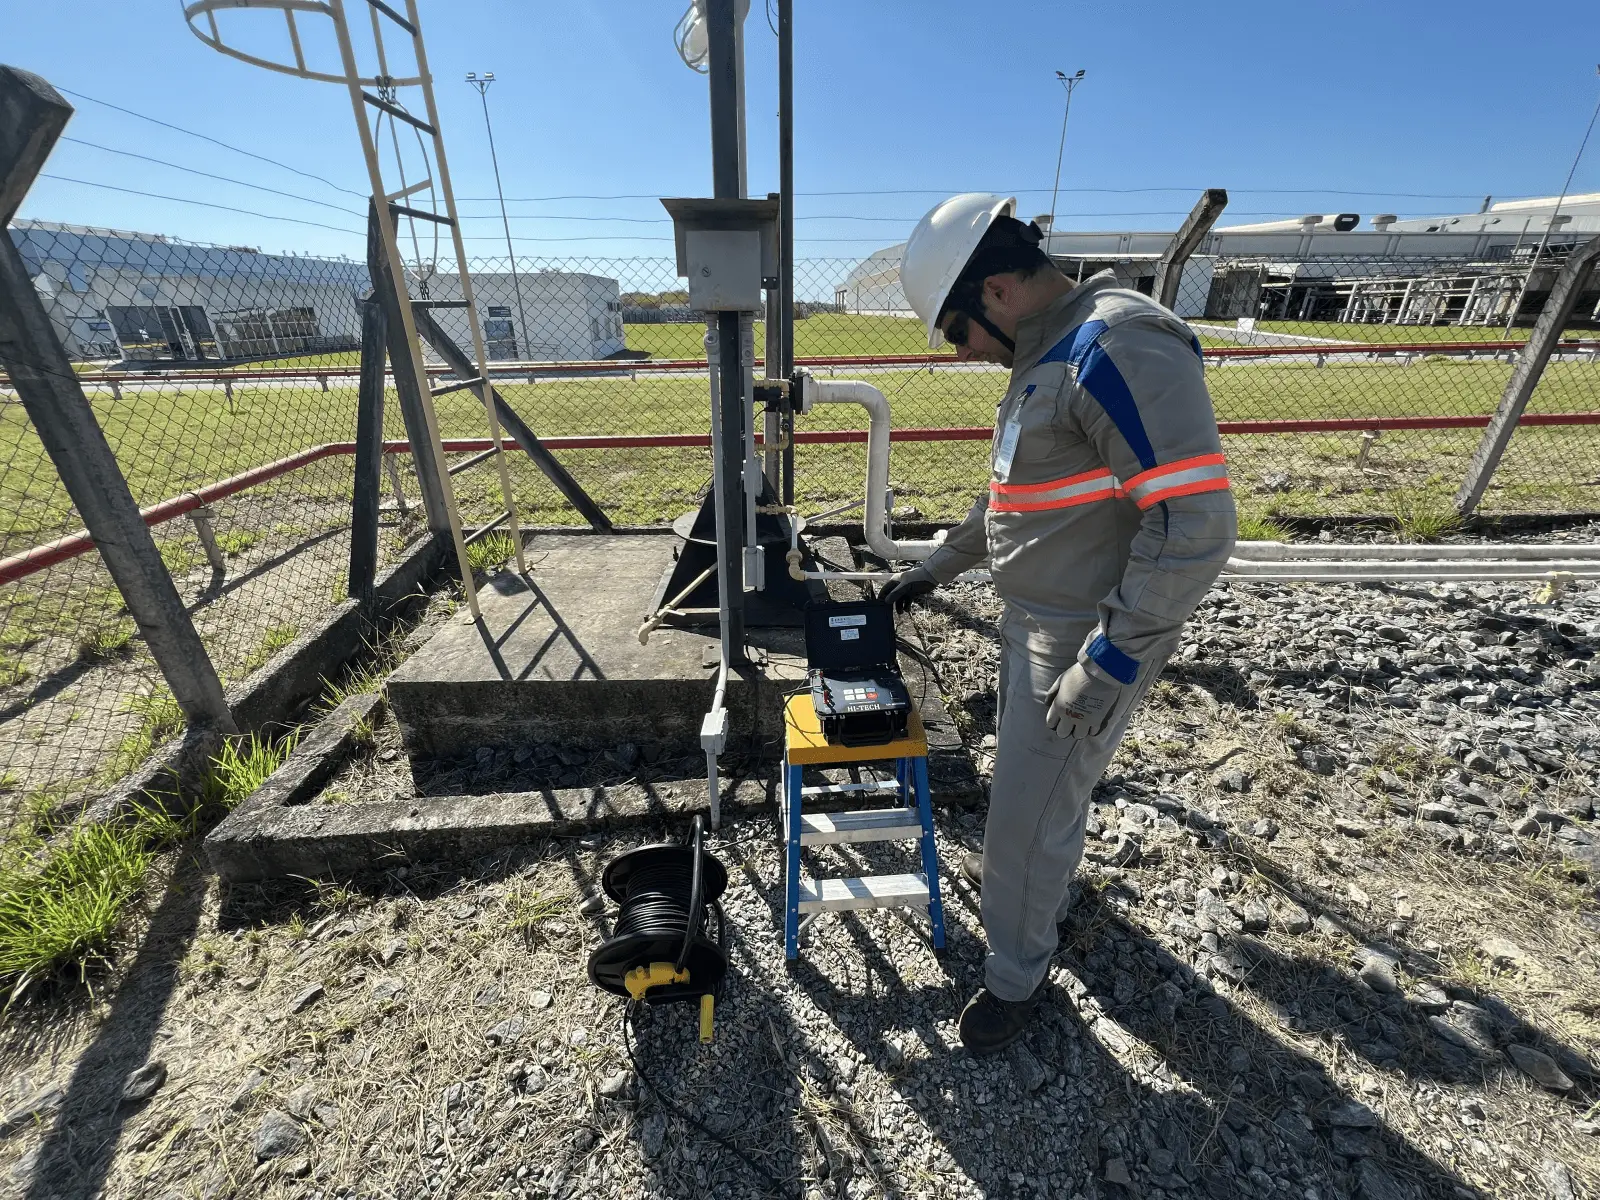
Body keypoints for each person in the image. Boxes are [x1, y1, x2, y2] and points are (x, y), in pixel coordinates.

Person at [883, 194, 1237, 1054]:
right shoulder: (1048, 358)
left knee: (1023, 816)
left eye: (957, 330)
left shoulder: (1115, 345)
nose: (960, 350)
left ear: (997, 289)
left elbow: (1195, 526)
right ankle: (1037, 912)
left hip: (1080, 637)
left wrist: (1108, 660)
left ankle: (1014, 977)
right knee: (1042, 797)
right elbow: (1015, 497)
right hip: (1034, 620)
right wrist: (933, 569)